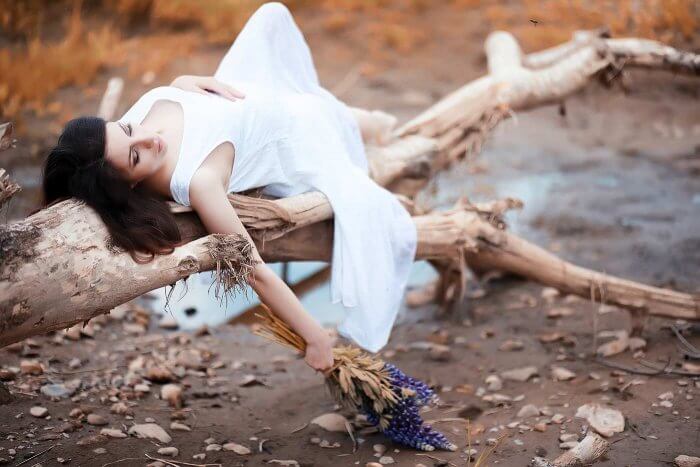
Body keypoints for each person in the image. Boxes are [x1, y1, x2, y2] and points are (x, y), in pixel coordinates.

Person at [42, 2, 417, 372]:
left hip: (252, 92)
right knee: (350, 125)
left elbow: (161, 99)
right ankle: (381, 129)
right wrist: (315, 337)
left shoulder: (126, 130)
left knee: (272, 16)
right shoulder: (199, 182)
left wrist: (181, 84)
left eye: (127, 130)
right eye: (136, 157)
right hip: (294, 138)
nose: (148, 138)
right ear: (132, 182)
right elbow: (254, 269)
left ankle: (377, 126)